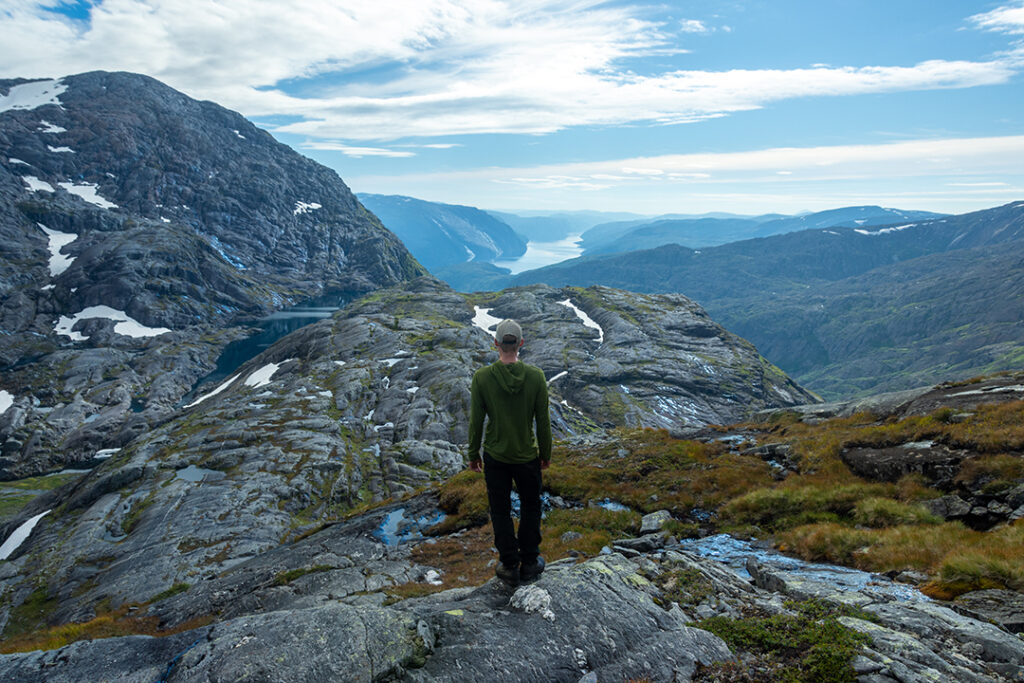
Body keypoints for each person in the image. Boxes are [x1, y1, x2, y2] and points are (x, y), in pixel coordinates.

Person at [467, 318, 552, 585]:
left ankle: (508, 564)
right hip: (527, 455)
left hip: (495, 456)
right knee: (530, 507)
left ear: (496, 344)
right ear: (521, 343)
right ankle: (529, 562)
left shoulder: (482, 378)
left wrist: (473, 453)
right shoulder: (536, 377)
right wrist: (545, 453)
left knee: (501, 510)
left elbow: (476, 420)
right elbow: (543, 420)